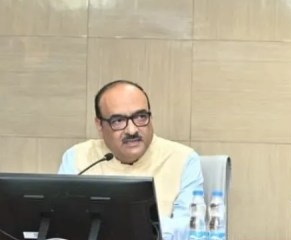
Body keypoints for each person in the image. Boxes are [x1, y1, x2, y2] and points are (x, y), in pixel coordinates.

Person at [58, 80, 203, 225]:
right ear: (100, 125)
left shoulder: (183, 159)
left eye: (141, 117)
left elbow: (190, 226)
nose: (132, 130)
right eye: (118, 120)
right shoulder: (78, 157)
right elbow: (63, 220)